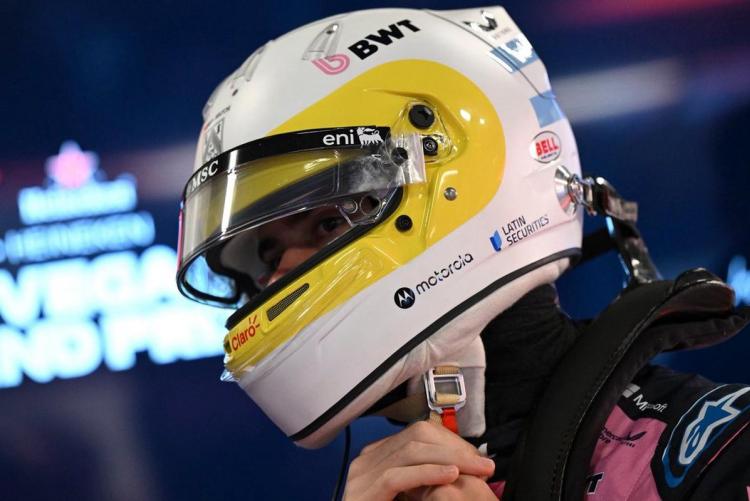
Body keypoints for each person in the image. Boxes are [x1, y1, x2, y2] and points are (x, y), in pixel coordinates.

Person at [175, 6, 750, 500]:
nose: (276, 277)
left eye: (327, 221)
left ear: (458, 182)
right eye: (266, 255)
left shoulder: (724, 453)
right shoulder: (383, 483)